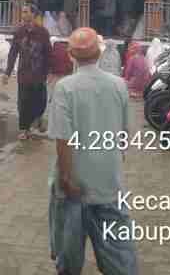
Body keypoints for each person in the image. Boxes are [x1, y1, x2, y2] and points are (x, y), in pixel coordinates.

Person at [48, 27, 137, 274]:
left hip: (74, 188)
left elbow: (63, 139)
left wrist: (66, 178)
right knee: (120, 259)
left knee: (69, 259)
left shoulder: (65, 88)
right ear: (100, 53)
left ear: (71, 55)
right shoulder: (119, 85)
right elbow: (123, 136)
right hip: (109, 184)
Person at [4, 3, 52, 140]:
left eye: (26, 12)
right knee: (23, 102)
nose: (23, 14)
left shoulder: (43, 32)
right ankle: (25, 130)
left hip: (39, 74)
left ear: (33, 14)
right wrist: (7, 72)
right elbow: (13, 52)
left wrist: (49, 71)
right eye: (23, 12)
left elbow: (48, 53)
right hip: (24, 74)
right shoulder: (19, 32)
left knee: (40, 101)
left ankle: (38, 118)